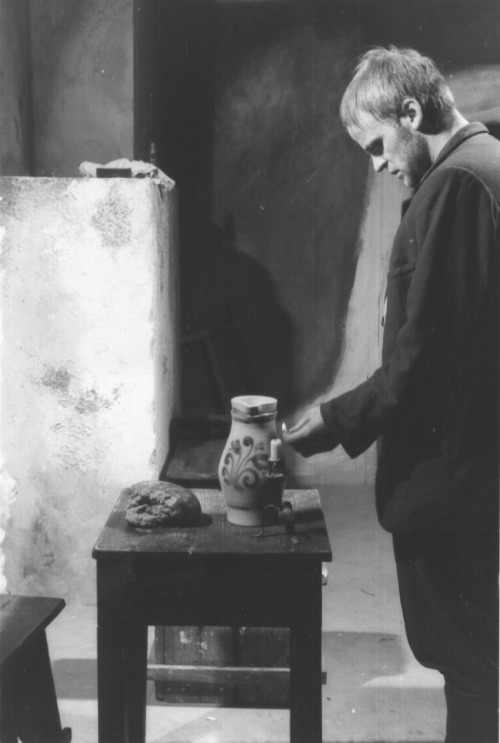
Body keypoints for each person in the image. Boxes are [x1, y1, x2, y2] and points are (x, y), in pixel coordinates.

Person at [284, 46, 499, 743]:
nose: (376, 164)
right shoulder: (473, 171)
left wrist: (336, 421)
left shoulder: (461, 185)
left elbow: (425, 359)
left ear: (410, 112)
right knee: (473, 661)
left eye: (377, 145)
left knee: (469, 664)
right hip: (470, 468)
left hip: (456, 476)